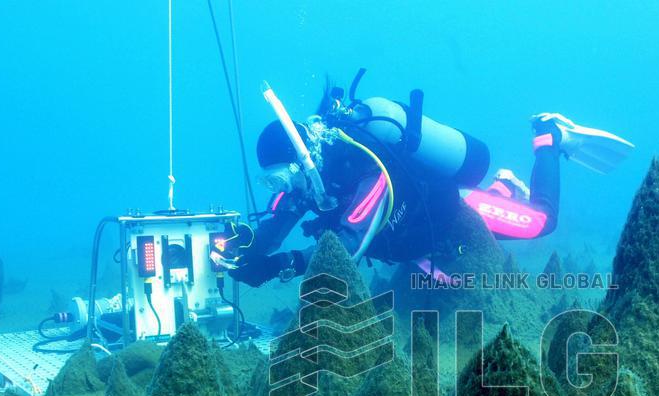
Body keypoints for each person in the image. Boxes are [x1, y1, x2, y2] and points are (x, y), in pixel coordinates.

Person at [220, 73, 633, 287]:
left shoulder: (364, 167)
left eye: (282, 178)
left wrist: (283, 266)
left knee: (540, 222)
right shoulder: (308, 182)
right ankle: (504, 187)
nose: (284, 189)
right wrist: (242, 249)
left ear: (303, 158)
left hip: (455, 211)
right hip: (423, 236)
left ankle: (549, 137)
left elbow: (348, 247)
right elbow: (275, 225)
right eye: (273, 183)